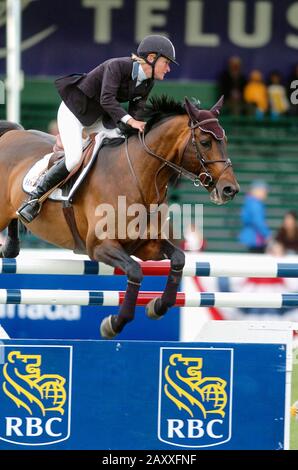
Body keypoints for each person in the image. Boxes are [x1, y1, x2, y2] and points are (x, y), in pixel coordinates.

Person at [17, 35, 178, 223]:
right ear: (151, 58)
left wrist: (142, 131)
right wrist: (131, 122)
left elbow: (137, 114)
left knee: (122, 148)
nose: (168, 68)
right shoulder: (116, 66)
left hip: (100, 118)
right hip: (74, 112)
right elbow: (107, 99)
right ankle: (34, 198)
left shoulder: (148, 82)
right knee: (74, 158)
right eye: (166, 62)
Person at [238, 180, 271, 253]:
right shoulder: (255, 204)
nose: (265, 194)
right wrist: (267, 235)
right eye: (264, 191)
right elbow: (258, 222)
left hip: (248, 238)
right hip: (255, 239)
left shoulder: (248, 202)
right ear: (257, 191)